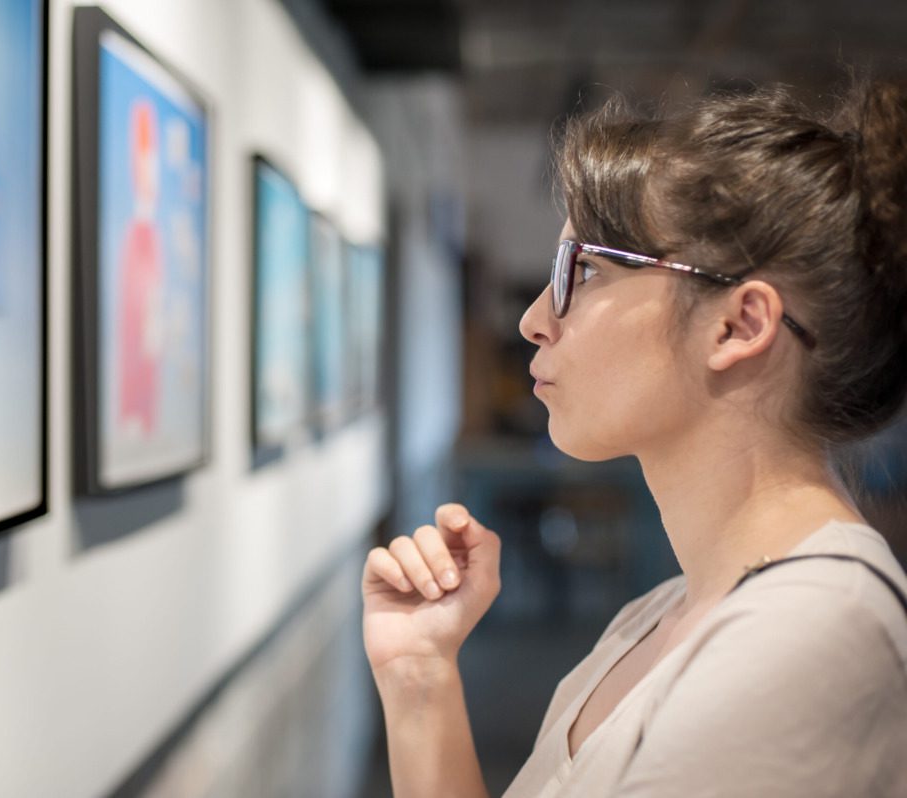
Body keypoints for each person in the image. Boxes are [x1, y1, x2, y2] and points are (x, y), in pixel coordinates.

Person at [362, 77, 907, 797]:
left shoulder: (814, 632)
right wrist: (420, 677)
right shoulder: (660, 614)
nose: (533, 320)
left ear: (738, 325)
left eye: (582, 271)